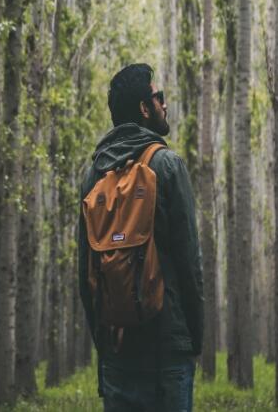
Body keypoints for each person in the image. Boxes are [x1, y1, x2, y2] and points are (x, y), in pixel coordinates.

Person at [79, 63, 204, 412]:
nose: (164, 103)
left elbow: (84, 275)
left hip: (117, 352)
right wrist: (192, 339)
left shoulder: (92, 177)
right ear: (144, 109)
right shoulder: (167, 166)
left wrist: (104, 348)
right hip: (168, 350)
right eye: (158, 96)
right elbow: (190, 264)